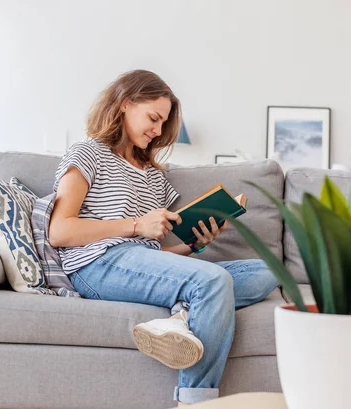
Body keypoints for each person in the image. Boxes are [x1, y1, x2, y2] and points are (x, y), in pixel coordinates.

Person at [48, 70, 278, 406]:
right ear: (125, 103)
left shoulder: (154, 176)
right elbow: (60, 231)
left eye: (162, 123)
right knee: (213, 281)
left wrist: (196, 244)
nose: (157, 130)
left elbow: (154, 255)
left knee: (267, 271)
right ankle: (195, 402)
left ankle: (183, 315)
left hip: (138, 264)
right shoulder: (87, 153)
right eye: (153, 118)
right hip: (97, 263)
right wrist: (137, 225)